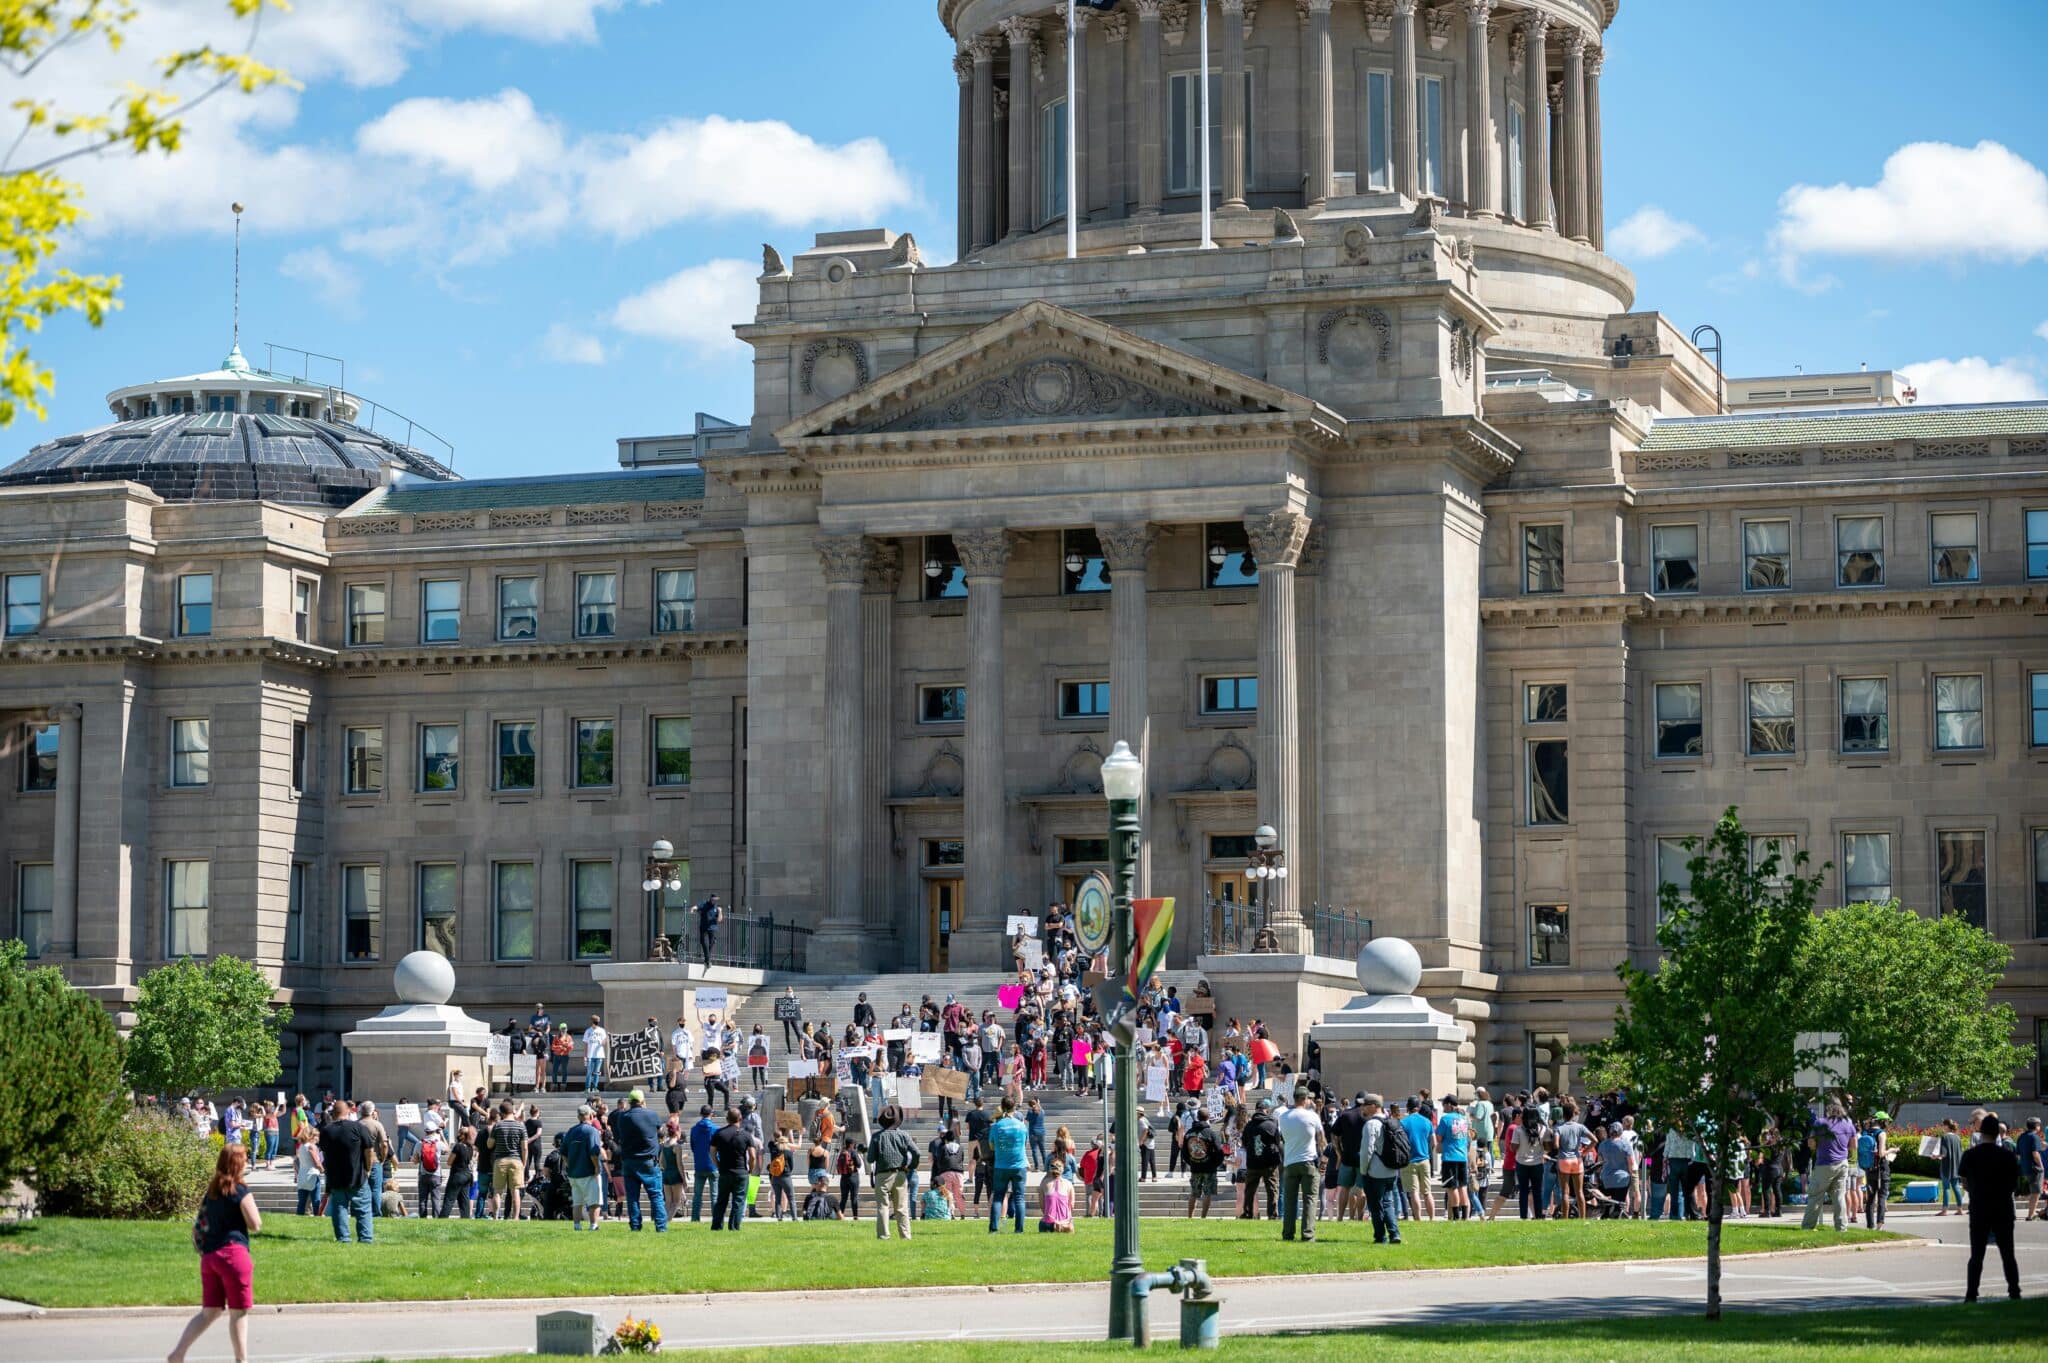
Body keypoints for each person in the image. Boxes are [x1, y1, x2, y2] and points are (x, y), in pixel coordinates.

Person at [168, 1145, 261, 1363]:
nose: (247, 1162)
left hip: (210, 1257)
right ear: (238, 1163)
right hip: (234, 1256)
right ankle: (241, 1360)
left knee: (209, 1312)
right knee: (238, 1312)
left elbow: (198, 1225)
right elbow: (256, 1223)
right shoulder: (239, 1190)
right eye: (245, 1159)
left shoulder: (211, 1192)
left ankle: (178, 1353)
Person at [1958, 1113, 2022, 1302]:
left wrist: (1976, 1191)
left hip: (1979, 1208)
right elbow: (2014, 1185)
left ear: (1981, 1131)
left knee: (1976, 1255)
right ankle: (2014, 1291)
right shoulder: (2008, 1156)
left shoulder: (1970, 1155)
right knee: (2008, 1254)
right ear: (1998, 1134)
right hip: (2003, 1207)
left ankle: (1971, 1294)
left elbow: (1964, 1182)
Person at [317, 1100, 374, 1243]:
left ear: (333, 1113)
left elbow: (324, 1153)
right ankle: (365, 1239)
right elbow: (369, 1150)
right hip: (357, 1176)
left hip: (336, 1178)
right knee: (363, 1210)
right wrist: (368, 1168)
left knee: (339, 1209)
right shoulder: (357, 1127)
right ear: (348, 1111)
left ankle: (343, 1238)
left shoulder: (326, 1131)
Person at [1801, 1100, 1858, 1232]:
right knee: (1839, 1196)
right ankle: (1841, 1227)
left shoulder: (1820, 1123)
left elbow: (1811, 1143)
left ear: (1828, 1110)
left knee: (1816, 1195)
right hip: (1843, 1164)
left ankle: (1808, 1227)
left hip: (1824, 1164)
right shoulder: (1848, 1123)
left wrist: (1819, 1145)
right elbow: (1854, 1145)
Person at [1278, 1086, 1325, 1242]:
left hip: (1290, 1161)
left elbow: (1283, 1138)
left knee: (1289, 1200)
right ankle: (1308, 1234)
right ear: (1305, 1099)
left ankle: (1288, 1233)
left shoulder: (1283, 1117)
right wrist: (1323, 1159)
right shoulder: (1312, 1116)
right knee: (1310, 1198)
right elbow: (1321, 1139)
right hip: (1308, 1161)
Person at [867, 1103, 920, 1240]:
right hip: (900, 1173)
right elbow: (916, 1152)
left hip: (883, 1174)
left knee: (883, 1207)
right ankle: (905, 1236)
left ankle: (884, 1236)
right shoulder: (904, 1135)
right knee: (902, 1207)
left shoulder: (877, 1136)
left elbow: (871, 1158)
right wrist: (911, 1167)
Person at [1360, 1094, 1405, 1245]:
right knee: (1387, 1202)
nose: (1363, 1107)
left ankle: (1380, 1236)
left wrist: (1363, 1170)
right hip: (1391, 1170)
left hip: (1375, 1171)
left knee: (1375, 1205)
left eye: (1365, 1105)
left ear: (1373, 1106)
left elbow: (1367, 1151)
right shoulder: (1390, 1120)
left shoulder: (1371, 1125)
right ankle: (1394, 1233)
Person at [988, 1096, 1030, 1233]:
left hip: (1001, 1165)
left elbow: (992, 1146)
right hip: (1019, 1165)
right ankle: (1019, 1229)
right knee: (1019, 1198)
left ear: (1002, 1107)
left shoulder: (996, 1126)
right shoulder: (1022, 1126)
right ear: (1014, 1107)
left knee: (998, 1196)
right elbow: (1025, 1144)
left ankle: (993, 1228)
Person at [708, 1108, 754, 1231]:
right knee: (738, 1201)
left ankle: (717, 1226)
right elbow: (753, 1155)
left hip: (724, 1171)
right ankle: (733, 1226)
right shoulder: (746, 1135)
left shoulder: (719, 1133)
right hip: (741, 1171)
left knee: (721, 1200)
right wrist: (750, 1168)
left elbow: (712, 1152)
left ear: (727, 1119)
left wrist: (717, 1164)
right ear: (740, 1119)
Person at [1239, 1098, 1282, 1220]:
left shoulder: (1249, 1125)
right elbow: (1278, 1141)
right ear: (1266, 1110)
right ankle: (1272, 1214)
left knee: (1250, 1190)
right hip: (1270, 1162)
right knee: (1272, 1189)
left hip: (1253, 1162)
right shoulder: (1272, 1124)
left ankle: (1247, 1213)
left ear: (1256, 1110)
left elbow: (1245, 1144)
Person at [1182, 1109, 1226, 1219]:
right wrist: (1215, 1164)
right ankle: (1203, 1217)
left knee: (1194, 1193)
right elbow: (1219, 1151)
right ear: (1208, 1118)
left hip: (1195, 1166)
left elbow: (1184, 1152)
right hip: (1209, 1167)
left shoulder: (1189, 1133)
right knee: (1207, 1193)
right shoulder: (1210, 1133)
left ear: (1198, 1117)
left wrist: (1191, 1162)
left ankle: (1190, 1217)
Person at [1399, 1098, 1436, 1221]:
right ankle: (1432, 1218)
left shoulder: (1403, 1122)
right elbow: (1434, 1142)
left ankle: (1418, 1219)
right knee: (1427, 1192)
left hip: (1409, 1160)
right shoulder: (1427, 1122)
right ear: (1419, 1107)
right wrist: (1427, 1151)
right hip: (1424, 1159)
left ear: (1408, 1107)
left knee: (1414, 1192)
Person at [688, 1105, 718, 1222]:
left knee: (697, 1195)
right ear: (711, 1114)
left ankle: (695, 1218)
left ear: (701, 1114)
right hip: (713, 1164)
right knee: (714, 1195)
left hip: (699, 1164)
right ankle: (716, 1218)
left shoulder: (694, 1129)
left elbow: (693, 1146)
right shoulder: (715, 1129)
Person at [1937, 1117, 1966, 1215]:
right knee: (1956, 1187)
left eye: (1942, 1125)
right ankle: (1960, 1209)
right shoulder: (1957, 1137)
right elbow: (1960, 1153)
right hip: (1956, 1166)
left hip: (1946, 1167)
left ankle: (1944, 1210)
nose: (1942, 1127)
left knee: (1946, 1188)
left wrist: (1935, 1156)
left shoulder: (1944, 1137)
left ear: (1946, 1126)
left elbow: (1943, 1154)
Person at [2018, 1117, 2044, 1222]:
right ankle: (2030, 1215)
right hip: (2035, 1168)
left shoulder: (2021, 1137)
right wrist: (2041, 1166)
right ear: (2036, 1126)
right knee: (2036, 1193)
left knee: (2033, 1192)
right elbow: (2035, 1154)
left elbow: (2018, 1155)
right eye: (2039, 1125)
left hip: (2025, 1168)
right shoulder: (2034, 1137)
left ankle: (2031, 1213)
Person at [1038, 1161, 1075, 1232]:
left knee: (1044, 1221)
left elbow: (1042, 1205)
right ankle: (1063, 1226)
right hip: (1065, 1222)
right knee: (1070, 1225)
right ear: (1063, 1170)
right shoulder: (1069, 1184)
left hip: (1047, 1223)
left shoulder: (1044, 1183)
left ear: (1050, 1170)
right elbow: (1071, 1205)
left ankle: (1053, 1225)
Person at [581, 1015, 609, 1093]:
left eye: (597, 1021)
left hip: (599, 1055)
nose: (596, 1023)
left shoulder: (602, 1030)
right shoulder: (588, 1031)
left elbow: (604, 1041)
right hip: (590, 1055)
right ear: (592, 1021)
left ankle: (595, 1087)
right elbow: (586, 1044)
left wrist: (603, 1041)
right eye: (595, 1021)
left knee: (597, 1072)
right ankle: (587, 1087)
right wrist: (585, 1056)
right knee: (589, 1072)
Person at [697, 893, 723, 965]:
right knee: (703, 942)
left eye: (716, 900)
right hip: (703, 927)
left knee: (711, 943)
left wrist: (720, 911)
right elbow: (698, 908)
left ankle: (707, 960)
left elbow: (719, 920)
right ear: (711, 899)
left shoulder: (716, 908)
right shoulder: (704, 904)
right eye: (714, 899)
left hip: (712, 928)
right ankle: (707, 959)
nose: (715, 901)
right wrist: (693, 909)